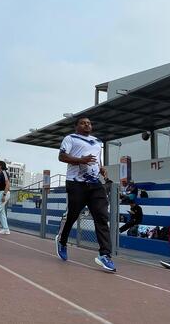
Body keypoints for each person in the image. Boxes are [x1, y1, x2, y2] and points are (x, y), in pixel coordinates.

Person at [54, 117, 116, 272]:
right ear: (76, 126)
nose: (87, 124)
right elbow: (62, 157)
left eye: (89, 123)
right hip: (76, 183)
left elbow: (97, 160)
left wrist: (101, 168)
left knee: (102, 216)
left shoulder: (98, 141)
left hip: (95, 183)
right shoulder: (70, 139)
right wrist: (80, 160)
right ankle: (62, 240)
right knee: (73, 215)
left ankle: (105, 255)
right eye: (83, 123)